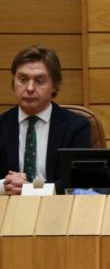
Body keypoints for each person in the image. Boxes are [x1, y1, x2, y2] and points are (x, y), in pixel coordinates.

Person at [1, 45, 91, 194]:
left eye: (39, 80)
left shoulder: (76, 127)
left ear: (54, 86)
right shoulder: (1, 125)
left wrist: (30, 189)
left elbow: (80, 181)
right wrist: (5, 185)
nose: (29, 88)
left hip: (59, 210)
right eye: (23, 79)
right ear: (13, 82)